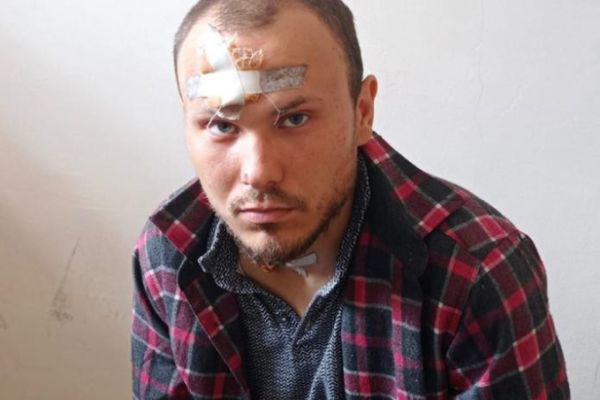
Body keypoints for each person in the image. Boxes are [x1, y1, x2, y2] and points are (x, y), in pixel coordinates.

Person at [131, 0, 570, 398]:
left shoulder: (476, 271)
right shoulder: (168, 253)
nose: (259, 172)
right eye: (221, 126)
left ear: (362, 112)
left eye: (295, 119)